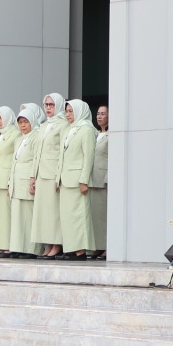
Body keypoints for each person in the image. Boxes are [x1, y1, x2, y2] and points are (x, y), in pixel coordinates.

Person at [57, 100, 98, 258]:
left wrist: (84, 180)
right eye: (66, 111)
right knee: (68, 217)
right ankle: (71, 248)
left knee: (79, 215)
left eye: (71, 111)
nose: (68, 114)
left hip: (77, 180)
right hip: (66, 179)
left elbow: (88, 157)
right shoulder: (69, 129)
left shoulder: (86, 129)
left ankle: (80, 250)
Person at [31, 92, 68, 257]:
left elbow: (62, 152)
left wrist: (58, 175)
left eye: (51, 105)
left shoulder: (63, 124)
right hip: (41, 173)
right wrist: (33, 175)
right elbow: (37, 152)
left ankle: (56, 244)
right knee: (43, 211)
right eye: (46, 105)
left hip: (52, 173)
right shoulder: (44, 126)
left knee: (53, 211)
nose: (48, 108)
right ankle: (47, 243)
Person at [9, 108, 39, 257]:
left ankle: (31, 249)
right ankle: (18, 247)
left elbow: (35, 160)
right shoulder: (19, 139)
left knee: (29, 215)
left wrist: (33, 178)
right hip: (16, 180)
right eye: (20, 122)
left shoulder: (36, 137)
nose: (23, 125)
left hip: (27, 179)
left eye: (26, 122)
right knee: (18, 216)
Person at [0, 106, 16, 256]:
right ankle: (1, 245)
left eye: (1, 118)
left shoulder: (15, 133)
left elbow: (15, 158)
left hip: (6, 179)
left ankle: (9, 245)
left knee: (8, 215)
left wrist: (10, 180)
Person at [91, 104, 109, 259]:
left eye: (103, 113)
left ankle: (107, 246)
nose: (99, 116)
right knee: (95, 215)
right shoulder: (94, 134)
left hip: (103, 179)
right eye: (98, 113)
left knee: (104, 215)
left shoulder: (112, 135)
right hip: (92, 178)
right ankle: (97, 246)